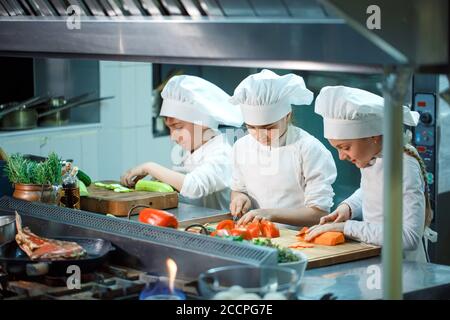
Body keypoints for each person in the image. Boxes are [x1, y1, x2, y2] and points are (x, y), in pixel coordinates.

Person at [308, 85, 437, 262]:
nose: (341, 156)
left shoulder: (404, 166)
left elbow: (409, 237)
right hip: (375, 262)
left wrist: (346, 228)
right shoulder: (372, 156)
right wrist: (348, 208)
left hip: (403, 272)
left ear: (373, 136)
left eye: (345, 147)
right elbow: (372, 191)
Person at [229, 69, 337, 227]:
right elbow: (238, 188)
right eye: (251, 127)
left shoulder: (309, 149)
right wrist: (239, 198)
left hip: (299, 238)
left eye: (268, 127)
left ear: (287, 116)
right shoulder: (241, 146)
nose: (260, 135)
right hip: (257, 234)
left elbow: (319, 213)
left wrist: (269, 214)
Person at [121, 75, 243, 210]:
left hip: (219, 227)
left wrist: (149, 167)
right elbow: (182, 186)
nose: (173, 137)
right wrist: (157, 181)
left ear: (201, 123)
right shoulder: (191, 150)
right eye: (169, 128)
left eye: (178, 127)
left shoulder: (222, 154)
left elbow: (194, 187)